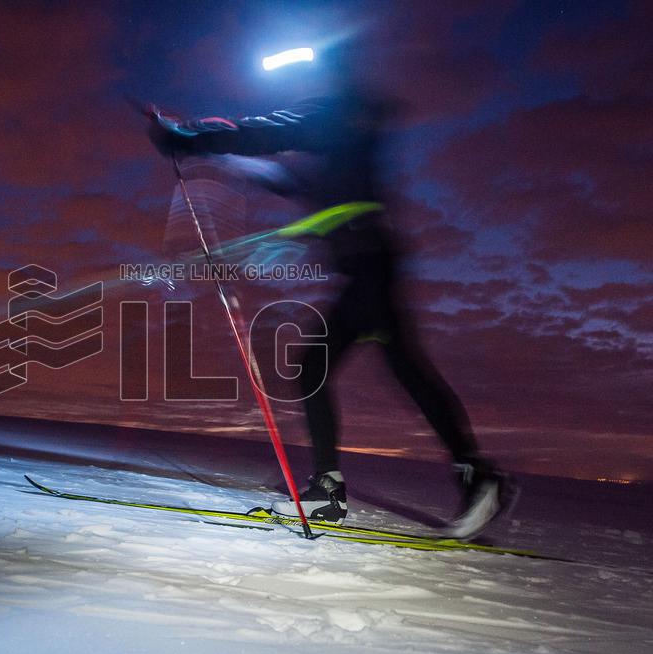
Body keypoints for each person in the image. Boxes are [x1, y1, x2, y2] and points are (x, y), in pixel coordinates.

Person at [144, 49, 508, 539]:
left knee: (383, 370)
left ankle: (466, 476)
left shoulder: (333, 113)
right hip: (366, 266)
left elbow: (269, 132)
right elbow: (290, 178)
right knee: (364, 368)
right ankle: (447, 478)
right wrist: (211, 152)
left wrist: (189, 139)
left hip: (369, 266)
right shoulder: (345, 131)